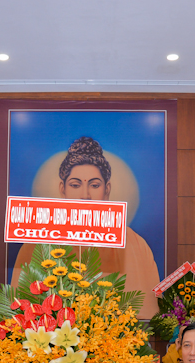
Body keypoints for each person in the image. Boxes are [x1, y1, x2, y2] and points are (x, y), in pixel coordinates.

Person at [11, 136, 161, 320]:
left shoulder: (135, 245)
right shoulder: (36, 243)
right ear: (62, 189)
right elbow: (19, 311)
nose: (85, 195)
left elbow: (147, 313)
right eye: (75, 185)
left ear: (107, 190)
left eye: (95, 185)